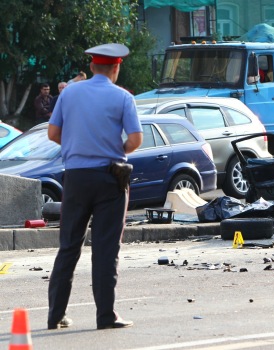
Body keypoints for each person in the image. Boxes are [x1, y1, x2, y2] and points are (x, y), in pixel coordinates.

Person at [47, 43, 143, 330]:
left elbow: (53, 133)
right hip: (110, 178)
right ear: (116, 68)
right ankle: (105, 316)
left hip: (75, 178)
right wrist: (115, 149)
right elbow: (135, 139)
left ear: (91, 66)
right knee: (105, 249)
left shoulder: (69, 93)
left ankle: (55, 316)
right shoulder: (123, 98)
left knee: (68, 247)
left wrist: (79, 147)